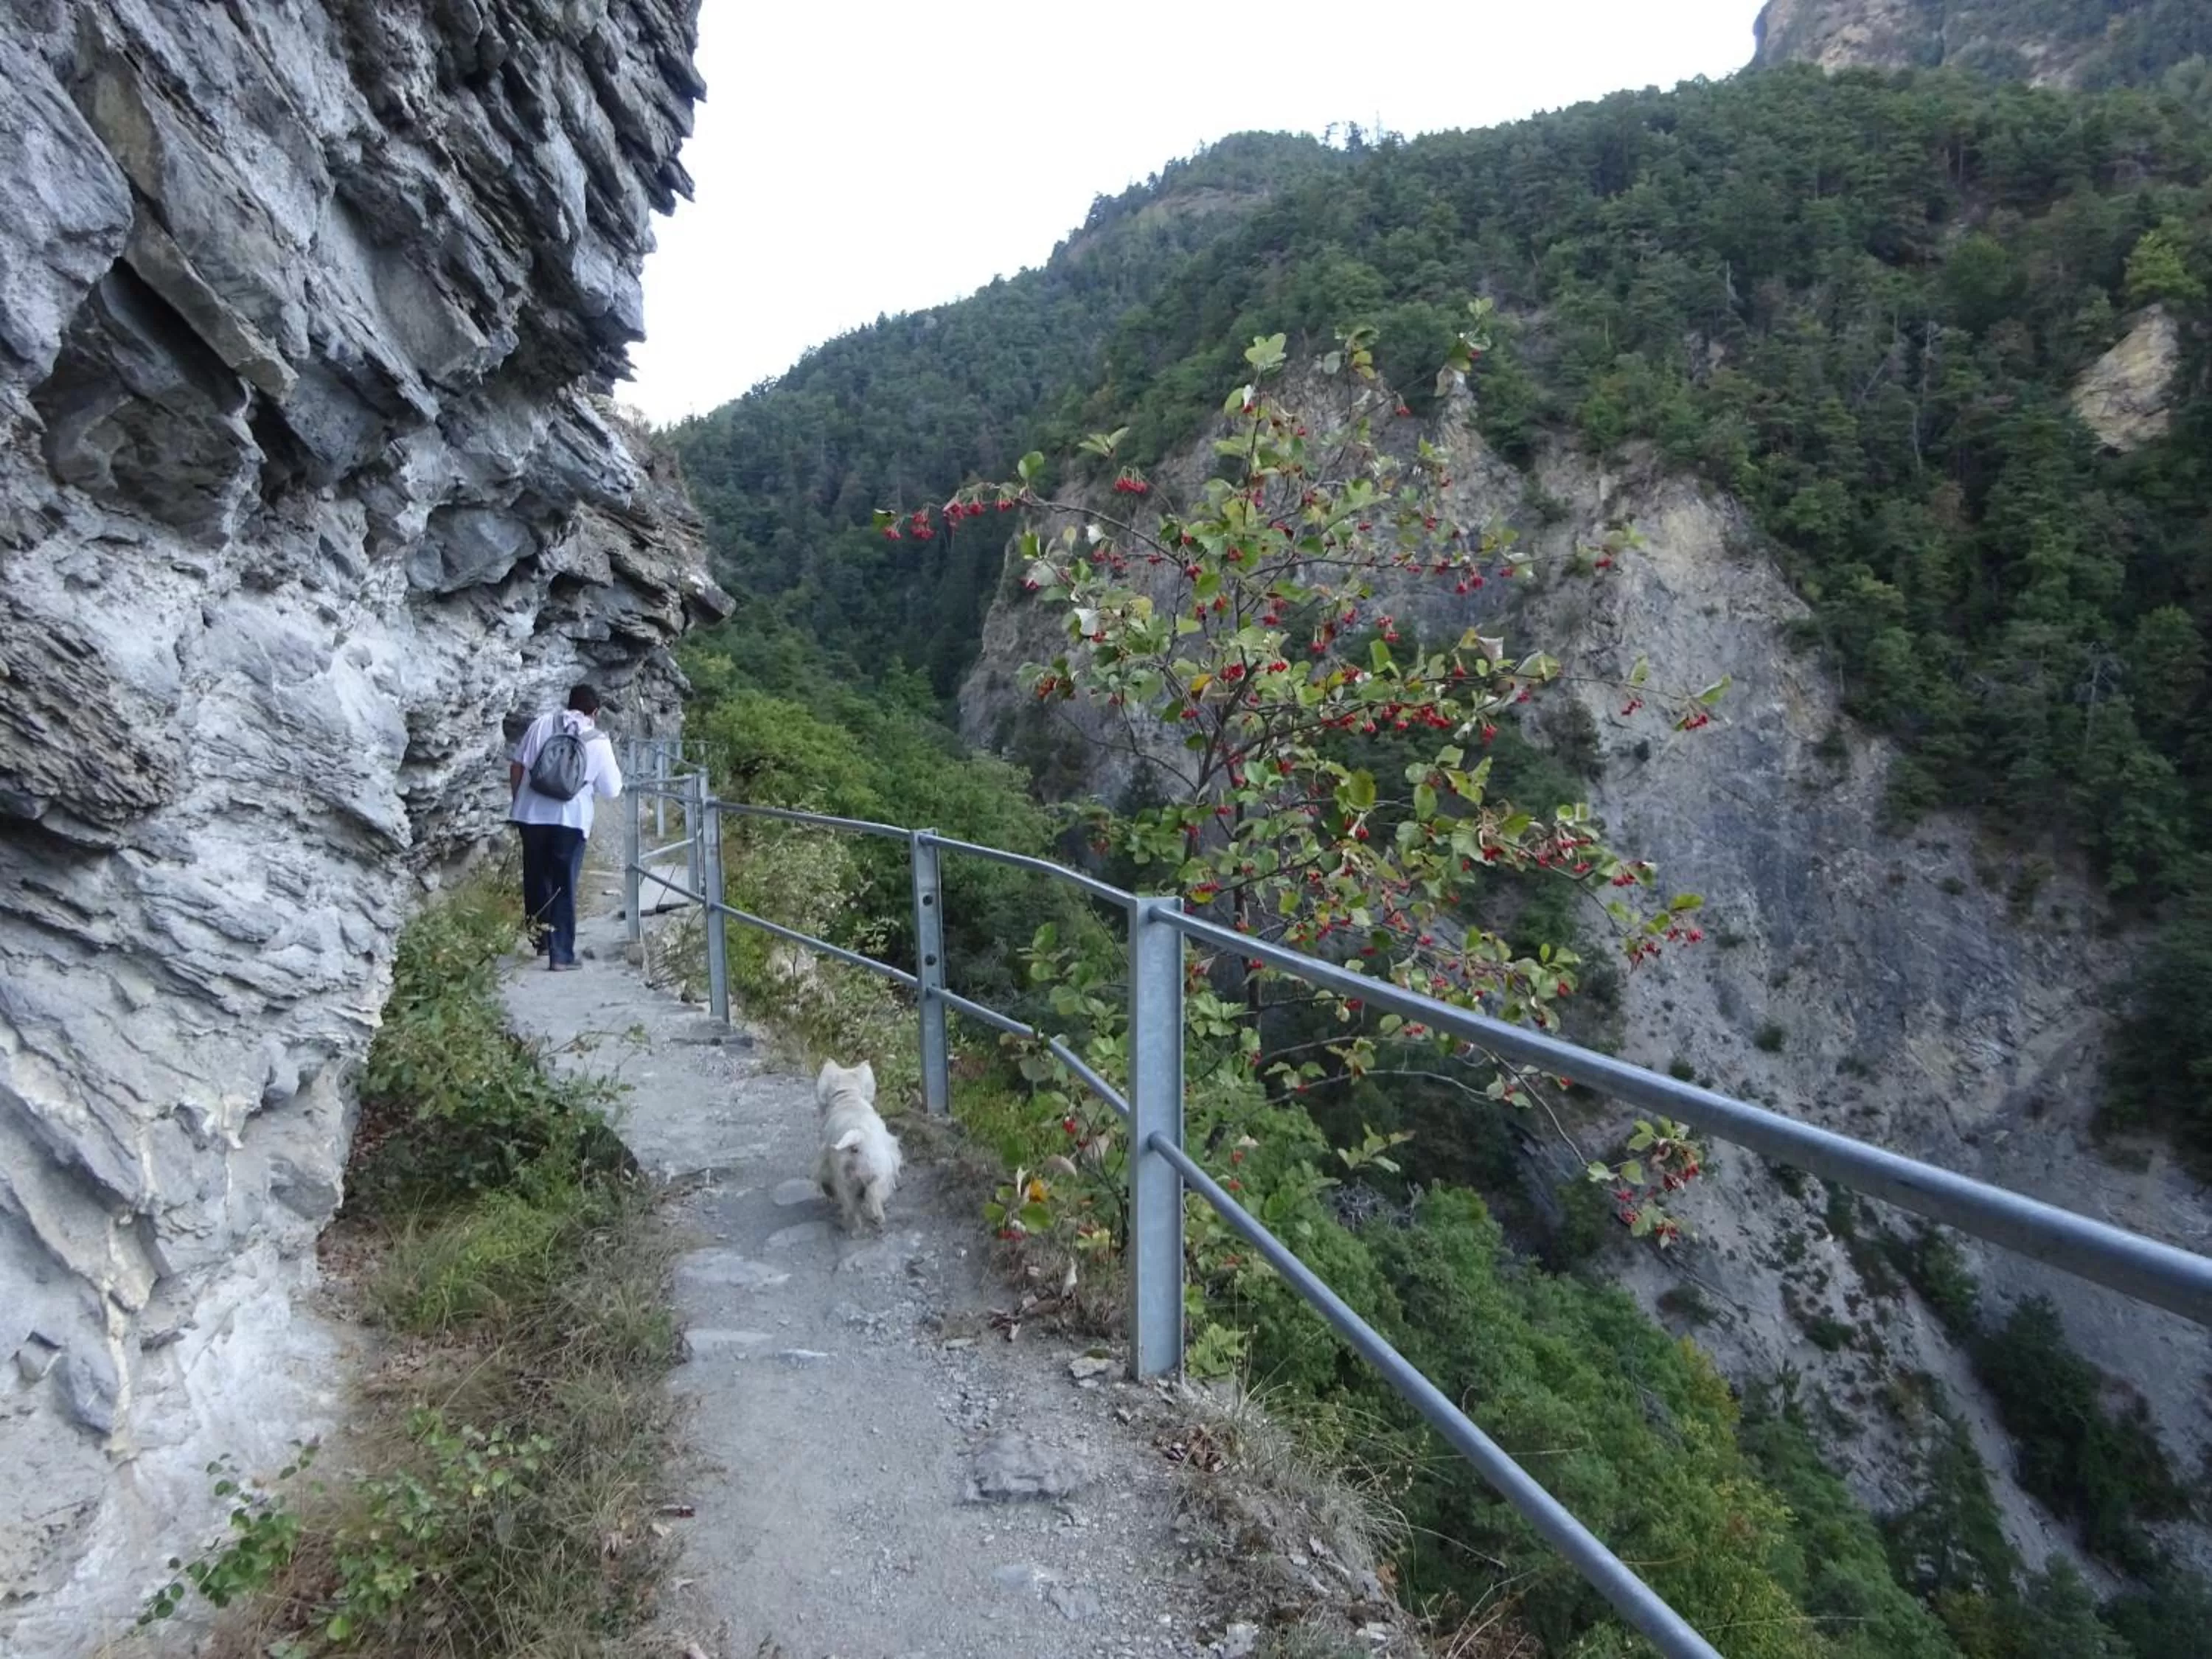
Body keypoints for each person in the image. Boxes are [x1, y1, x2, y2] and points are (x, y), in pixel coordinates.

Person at [509, 684, 624, 970]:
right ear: (595, 712)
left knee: (536, 878)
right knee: (564, 884)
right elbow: (611, 790)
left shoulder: (541, 724)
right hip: (571, 821)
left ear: (567, 702)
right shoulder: (598, 741)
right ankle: (561, 956)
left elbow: (517, 766)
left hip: (531, 815)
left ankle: (540, 942)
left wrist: (519, 801)